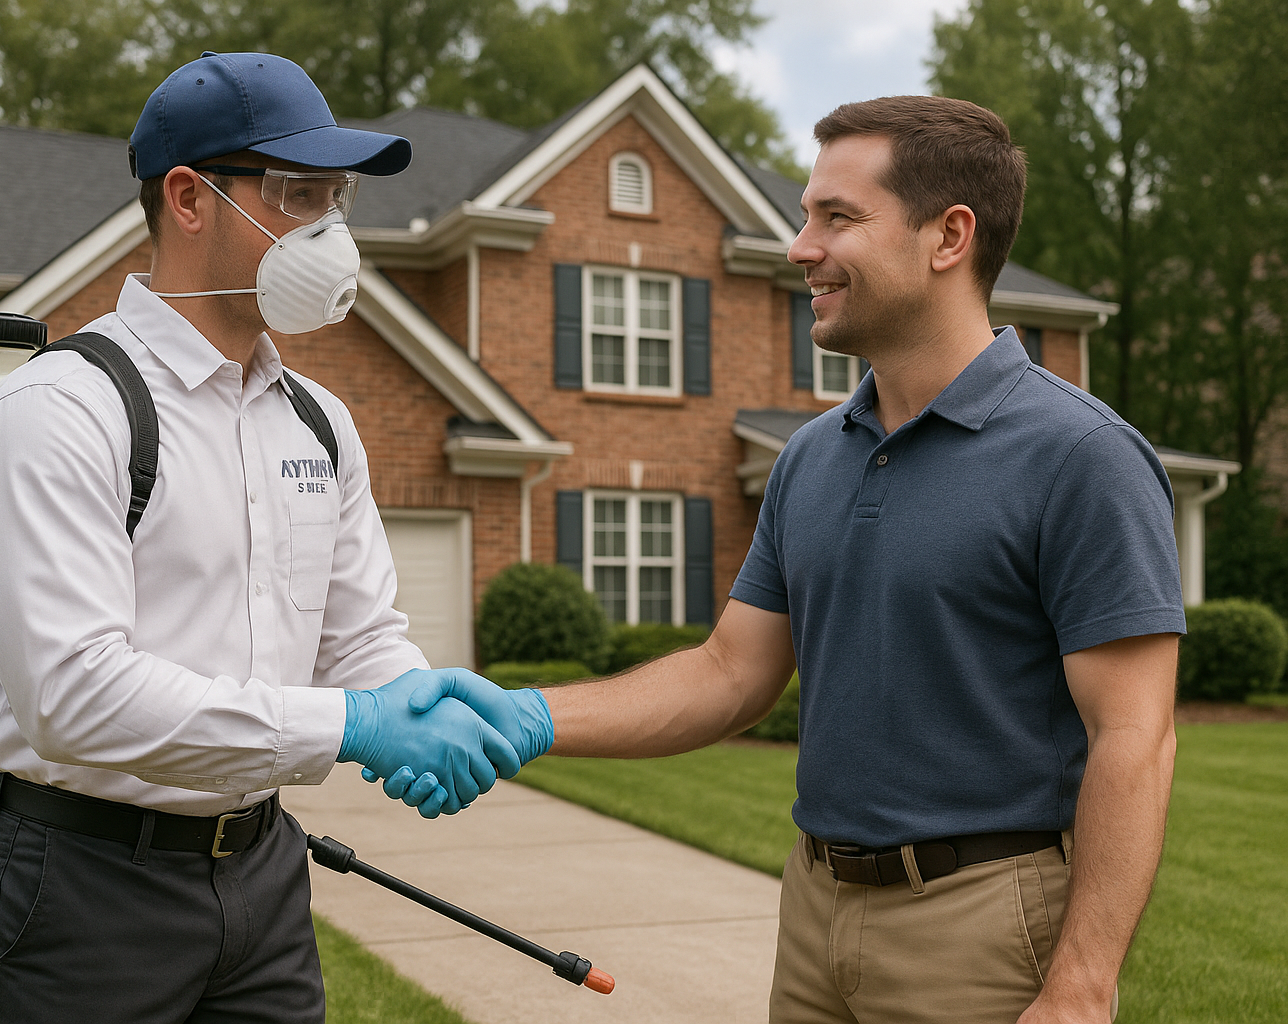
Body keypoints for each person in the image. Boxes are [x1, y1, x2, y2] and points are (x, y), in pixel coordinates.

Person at [411, 96, 1185, 1023]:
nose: (798, 246)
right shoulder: (811, 459)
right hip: (814, 907)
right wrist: (524, 716)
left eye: (837, 218)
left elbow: (1134, 736)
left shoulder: (1080, 456)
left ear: (949, 236)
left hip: (982, 923)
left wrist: (1083, 984)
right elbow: (730, 673)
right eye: (806, 214)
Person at [0, 52, 526, 1023]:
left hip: (262, 875)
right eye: (300, 193)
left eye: (339, 198)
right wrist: (352, 725)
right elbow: (72, 694)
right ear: (188, 197)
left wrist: (415, 703)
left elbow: (358, 636)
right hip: (79, 885)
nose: (334, 231)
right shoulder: (61, 409)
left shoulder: (320, 423)